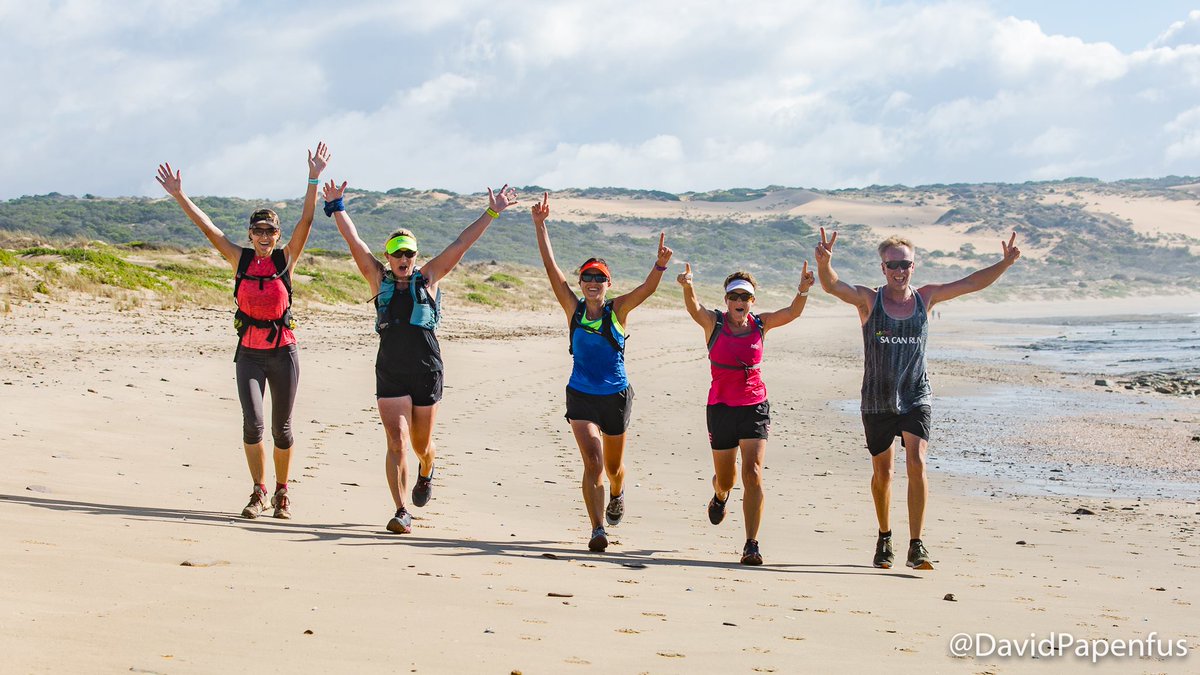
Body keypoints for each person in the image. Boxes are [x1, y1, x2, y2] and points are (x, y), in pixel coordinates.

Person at [814, 228, 1021, 570]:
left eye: (905, 264)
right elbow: (834, 286)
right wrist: (825, 265)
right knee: (884, 474)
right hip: (878, 401)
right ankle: (884, 536)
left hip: (915, 395)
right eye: (892, 264)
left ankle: (917, 544)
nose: (899, 270)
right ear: (883, 268)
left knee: (918, 463)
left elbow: (971, 283)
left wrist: (1004, 264)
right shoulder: (870, 300)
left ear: (914, 265)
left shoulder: (926, 298)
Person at [323, 179, 517, 534]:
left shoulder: (429, 277)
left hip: (427, 369)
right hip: (391, 370)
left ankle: (427, 469)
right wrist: (337, 205)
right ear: (388, 257)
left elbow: (461, 242)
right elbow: (354, 241)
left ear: (415, 255)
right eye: (396, 253)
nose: (402, 259)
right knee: (396, 440)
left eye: (408, 253)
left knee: (421, 444)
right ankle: (401, 511)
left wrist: (493, 210)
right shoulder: (376, 277)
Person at [155, 142, 331, 520]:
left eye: (270, 231)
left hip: (283, 352)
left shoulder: (286, 258)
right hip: (249, 353)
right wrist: (180, 195)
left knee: (281, 430)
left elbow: (307, 221)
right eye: (258, 231)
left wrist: (313, 177)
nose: (265, 237)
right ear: (250, 234)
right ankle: (259, 492)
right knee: (253, 425)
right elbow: (207, 228)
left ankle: (283, 493)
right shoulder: (241, 258)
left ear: (278, 235)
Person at [530, 193, 672, 552]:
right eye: (587, 277)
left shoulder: (617, 310)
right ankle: (596, 530)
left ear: (608, 283)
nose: (593, 282)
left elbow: (646, 290)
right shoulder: (572, 308)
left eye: (600, 277)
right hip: (580, 394)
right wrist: (540, 225)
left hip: (615, 395)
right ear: (581, 282)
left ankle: (618, 493)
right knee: (591, 462)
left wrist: (659, 267)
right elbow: (550, 268)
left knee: (613, 468)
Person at [677, 262, 814, 565]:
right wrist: (688, 286)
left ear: (753, 301)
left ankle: (751, 544)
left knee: (752, 473)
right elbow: (694, 308)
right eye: (734, 297)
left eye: (745, 298)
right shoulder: (714, 323)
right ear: (726, 300)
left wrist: (803, 288)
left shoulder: (761, 325)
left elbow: (792, 312)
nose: (739, 302)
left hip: (754, 406)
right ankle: (720, 495)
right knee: (726, 479)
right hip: (721, 408)